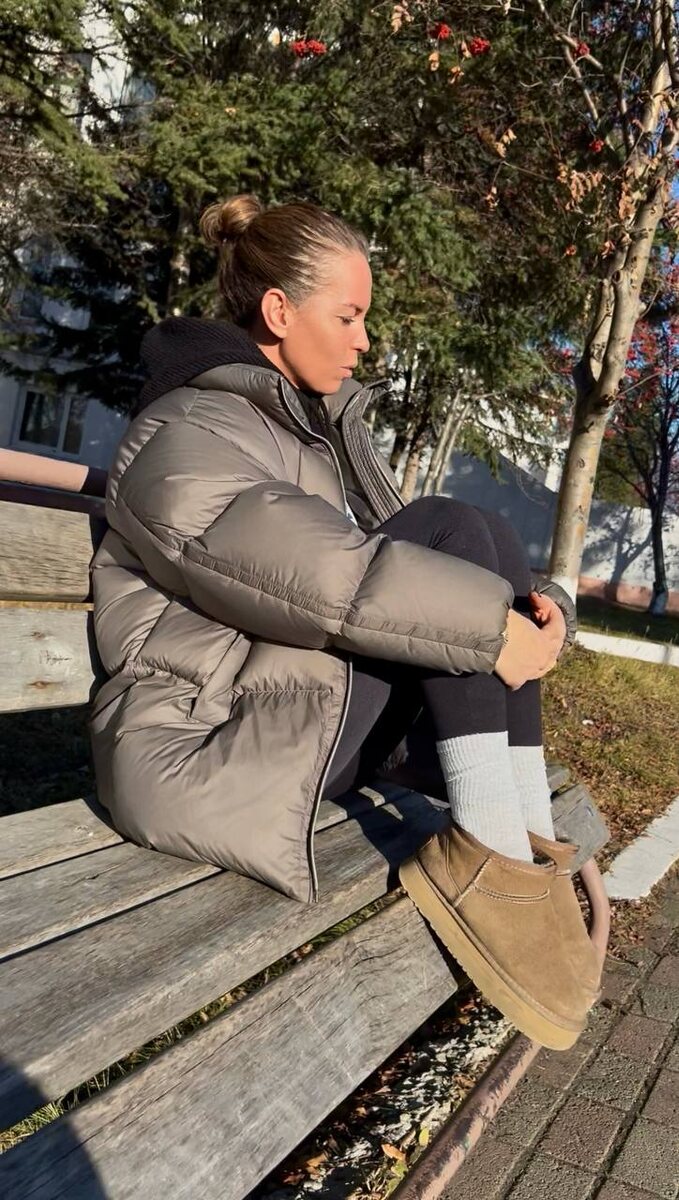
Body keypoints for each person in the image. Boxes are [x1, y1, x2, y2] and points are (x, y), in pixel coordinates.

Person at [90, 194, 601, 1051]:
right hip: (209, 746)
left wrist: (526, 607)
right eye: (348, 315)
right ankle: (492, 855)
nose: (364, 339)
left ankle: (518, 846)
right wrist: (488, 625)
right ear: (278, 310)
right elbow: (333, 580)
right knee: (450, 531)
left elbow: (386, 573)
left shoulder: (302, 430)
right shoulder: (187, 431)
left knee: (481, 537)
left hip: (286, 713)